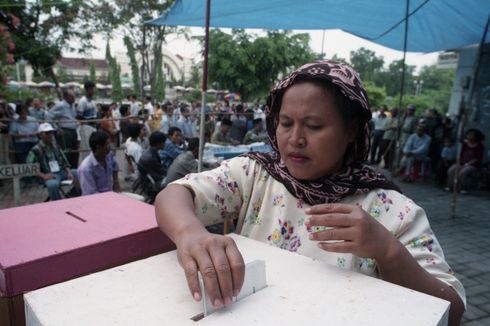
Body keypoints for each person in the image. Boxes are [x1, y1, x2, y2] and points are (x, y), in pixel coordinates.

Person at [155, 60, 465, 325]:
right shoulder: (255, 176)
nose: (295, 139)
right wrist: (189, 232)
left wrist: (388, 250)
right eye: (285, 123)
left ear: (352, 130)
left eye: (314, 126)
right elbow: (175, 194)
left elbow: (452, 310)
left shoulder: (390, 210)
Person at [26, 123, 77, 200]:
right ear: (40, 135)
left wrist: (69, 171)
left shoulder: (56, 146)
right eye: (47, 133)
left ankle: (75, 195)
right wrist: (43, 176)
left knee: (80, 172)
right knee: (53, 185)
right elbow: (29, 167)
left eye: (51, 132)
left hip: (61, 172)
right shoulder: (35, 149)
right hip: (48, 174)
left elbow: (64, 161)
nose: (50, 135)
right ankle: (58, 204)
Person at [77, 130, 121, 195]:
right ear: (98, 147)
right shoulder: (86, 168)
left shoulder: (108, 155)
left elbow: (115, 166)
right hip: (96, 200)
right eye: (107, 144)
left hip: (110, 194)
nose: (110, 146)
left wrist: (116, 182)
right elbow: (91, 194)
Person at [445, 128, 485, 193]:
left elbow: (477, 158)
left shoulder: (479, 146)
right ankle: (450, 186)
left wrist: (467, 164)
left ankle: (462, 188)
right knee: (451, 170)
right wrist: (459, 162)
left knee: (462, 172)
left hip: (472, 164)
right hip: (462, 162)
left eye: (471, 135)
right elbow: (460, 154)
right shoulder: (464, 144)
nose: (469, 136)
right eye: (468, 134)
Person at [47, 89, 79, 168]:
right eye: (72, 96)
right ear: (66, 97)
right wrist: (56, 128)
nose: (74, 98)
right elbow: (48, 115)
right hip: (65, 131)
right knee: (66, 153)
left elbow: (72, 117)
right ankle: (66, 171)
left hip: (73, 131)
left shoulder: (72, 106)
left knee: (74, 153)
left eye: (74, 96)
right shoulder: (60, 105)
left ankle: (74, 170)